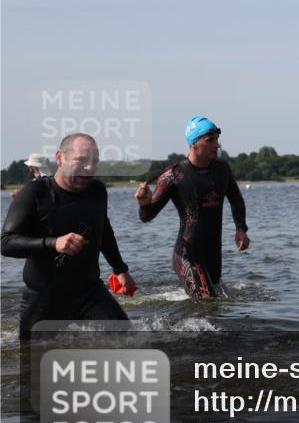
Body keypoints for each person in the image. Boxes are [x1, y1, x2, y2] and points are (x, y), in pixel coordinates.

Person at [2, 134, 137, 337]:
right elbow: (6, 243)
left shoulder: (97, 191)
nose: (89, 168)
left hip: (89, 292)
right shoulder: (35, 192)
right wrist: (54, 243)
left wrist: (120, 269)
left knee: (130, 343)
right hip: (43, 297)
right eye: (81, 160)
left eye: (94, 162)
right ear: (60, 158)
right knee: (31, 361)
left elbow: (104, 230)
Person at [134, 117, 249, 298]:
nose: (217, 145)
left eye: (217, 139)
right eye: (210, 140)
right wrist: (144, 204)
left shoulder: (222, 169)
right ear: (194, 143)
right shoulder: (173, 175)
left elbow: (236, 200)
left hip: (213, 254)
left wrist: (241, 228)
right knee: (207, 301)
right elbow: (147, 216)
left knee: (215, 306)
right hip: (187, 254)